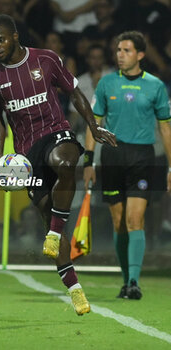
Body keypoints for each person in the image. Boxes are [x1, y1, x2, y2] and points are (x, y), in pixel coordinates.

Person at [0, 14, 116, 315]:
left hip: (56, 131)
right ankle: (74, 288)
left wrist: (93, 128)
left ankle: (55, 233)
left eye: (0, 39)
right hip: (26, 149)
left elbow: (75, 93)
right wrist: (0, 159)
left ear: (15, 36)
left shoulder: (46, 60)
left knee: (65, 162)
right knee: (46, 210)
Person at [84, 31, 171, 300]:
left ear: (141, 55)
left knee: (136, 219)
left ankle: (134, 281)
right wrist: (89, 160)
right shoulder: (106, 84)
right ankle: (126, 280)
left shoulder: (155, 86)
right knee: (119, 222)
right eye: (118, 50)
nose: (120, 55)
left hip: (143, 159)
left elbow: (166, 130)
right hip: (112, 158)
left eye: (127, 50)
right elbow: (93, 124)